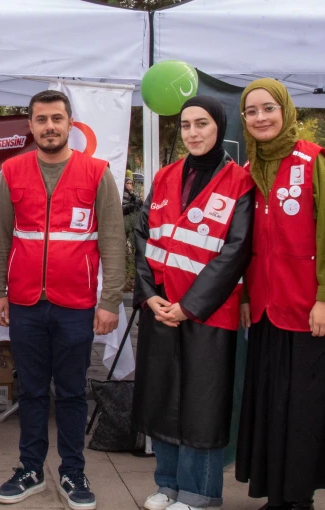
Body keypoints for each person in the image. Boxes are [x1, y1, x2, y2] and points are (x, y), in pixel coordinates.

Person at [0, 89, 125, 510]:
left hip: (76, 305)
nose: (50, 127)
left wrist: (110, 300)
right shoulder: (12, 171)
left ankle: (72, 472)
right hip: (26, 303)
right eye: (42, 119)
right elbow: (1, 237)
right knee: (30, 391)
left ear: (69, 124)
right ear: (31, 126)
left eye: (57, 119)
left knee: (70, 392)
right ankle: (30, 469)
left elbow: (113, 240)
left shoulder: (97, 172)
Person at [131, 96, 254, 510]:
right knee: (162, 397)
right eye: (185, 125)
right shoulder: (165, 176)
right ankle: (167, 485)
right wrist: (150, 296)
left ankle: (198, 493)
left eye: (202, 124)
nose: (193, 133)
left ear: (219, 126)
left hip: (208, 313)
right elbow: (143, 237)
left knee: (203, 405)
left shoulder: (239, 181)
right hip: (161, 309)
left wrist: (190, 305)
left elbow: (236, 251)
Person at [235, 79, 325, 510]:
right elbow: (243, 242)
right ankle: (277, 496)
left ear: (286, 110)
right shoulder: (249, 169)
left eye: (268, 108)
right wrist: (245, 296)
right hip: (264, 309)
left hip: (307, 309)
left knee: (303, 407)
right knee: (271, 404)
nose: (260, 118)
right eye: (251, 111)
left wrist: (324, 297)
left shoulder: (314, 160)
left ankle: (298, 499)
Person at [123, 176, 142, 250]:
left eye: (131, 183)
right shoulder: (123, 194)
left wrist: (131, 193)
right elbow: (124, 206)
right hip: (126, 217)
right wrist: (132, 205)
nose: (130, 185)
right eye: (128, 183)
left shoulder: (135, 193)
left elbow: (139, 202)